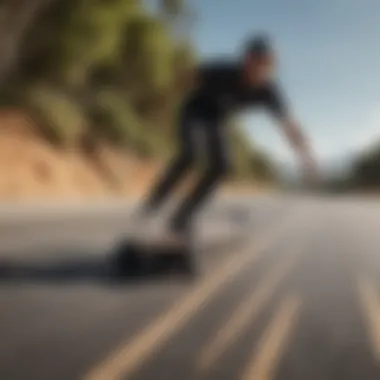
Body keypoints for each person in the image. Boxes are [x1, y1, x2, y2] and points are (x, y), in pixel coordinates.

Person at [135, 34, 318, 244]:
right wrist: (157, 101)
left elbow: (289, 126)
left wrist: (306, 157)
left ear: (271, 66)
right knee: (192, 154)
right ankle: (155, 200)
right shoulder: (222, 72)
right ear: (246, 60)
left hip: (216, 120)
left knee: (222, 165)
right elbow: (186, 77)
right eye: (255, 63)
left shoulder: (269, 91)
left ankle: (182, 218)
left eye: (266, 65)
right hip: (193, 112)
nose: (259, 70)